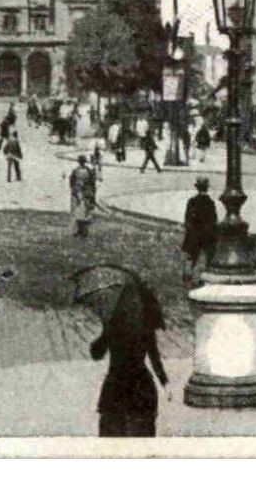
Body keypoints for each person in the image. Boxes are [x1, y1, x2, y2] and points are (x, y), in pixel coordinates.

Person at [89, 281, 171, 437]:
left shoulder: (114, 325)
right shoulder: (146, 327)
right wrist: (165, 383)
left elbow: (95, 354)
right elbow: (155, 359)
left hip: (115, 389)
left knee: (111, 442)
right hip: (141, 390)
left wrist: (104, 330)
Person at [181, 178, 218, 283]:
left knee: (191, 256)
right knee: (207, 256)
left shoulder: (192, 201)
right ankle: (204, 276)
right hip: (206, 233)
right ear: (207, 188)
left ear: (197, 188)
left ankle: (187, 275)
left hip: (193, 233)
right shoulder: (210, 203)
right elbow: (213, 220)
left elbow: (186, 219)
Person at [69, 154, 97, 236]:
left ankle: (80, 230)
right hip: (85, 193)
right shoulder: (88, 171)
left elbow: (71, 182)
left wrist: (74, 190)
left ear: (79, 161)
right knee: (85, 211)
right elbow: (92, 182)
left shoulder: (76, 171)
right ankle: (83, 230)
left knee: (78, 211)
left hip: (79, 193)